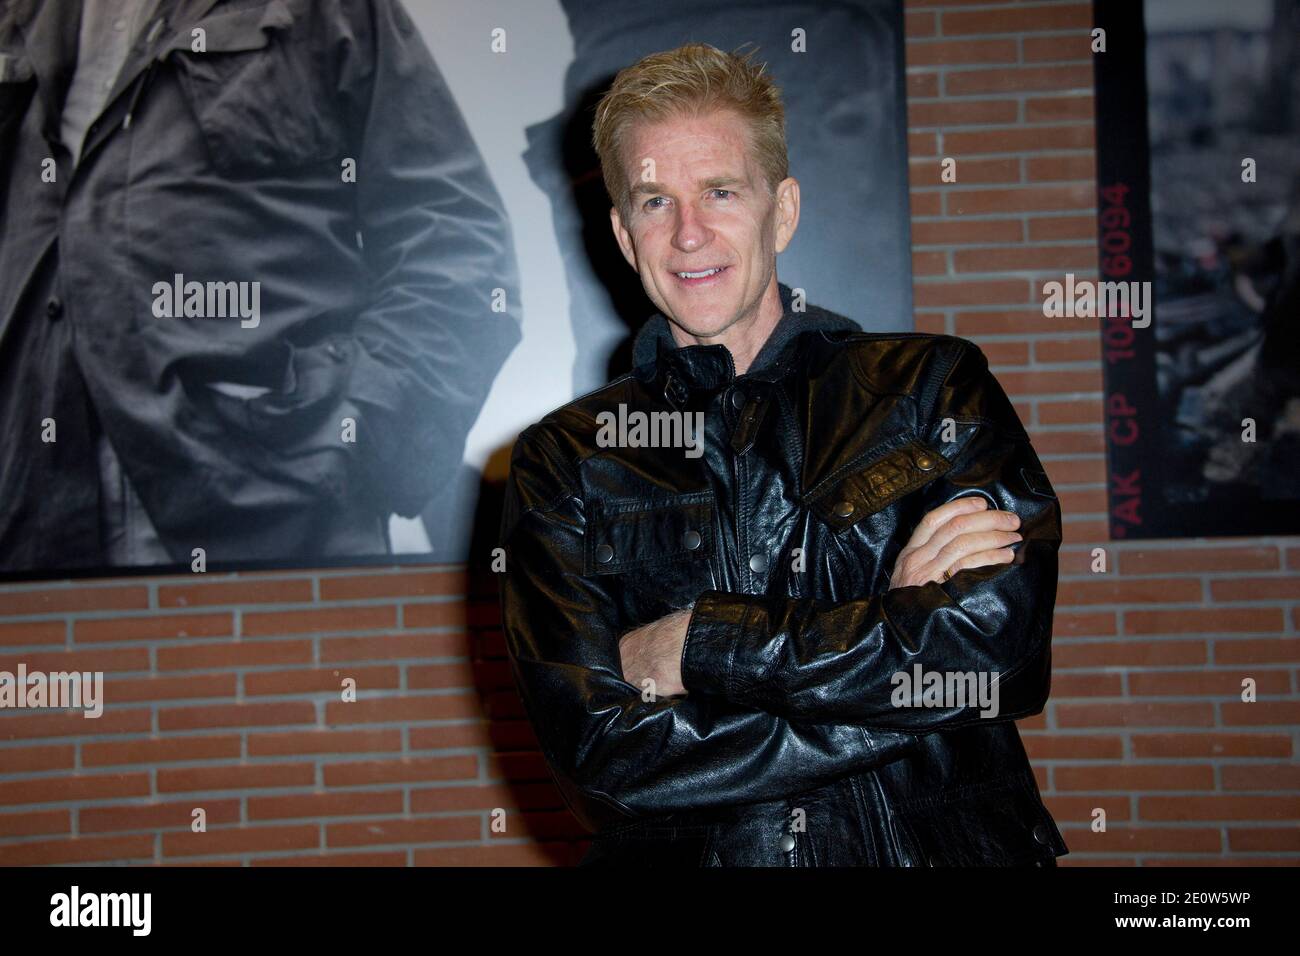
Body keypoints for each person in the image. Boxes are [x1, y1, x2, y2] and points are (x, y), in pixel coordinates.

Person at [499, 43, 1068, 866]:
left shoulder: (929, 388)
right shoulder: (565, 458)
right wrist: (898, 635)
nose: (689, 234)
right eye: (655, 202)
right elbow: (604, 763)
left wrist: (697, 646)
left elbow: (995, 661)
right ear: (625, 235)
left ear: (784, 209)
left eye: (720, 191)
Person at [0, 0, 520, 570]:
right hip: (34, 527)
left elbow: (455, 248)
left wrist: (347, 441)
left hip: (269, 518)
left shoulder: (325, 10)